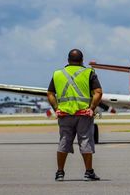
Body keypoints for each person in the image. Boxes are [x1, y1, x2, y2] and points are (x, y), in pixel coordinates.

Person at [47, 48, 103, 181]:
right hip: (83, 114)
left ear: (68, 60)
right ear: (82, 60)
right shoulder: (89, 72)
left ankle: (60, 172)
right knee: (85, 142)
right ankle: (89, 172)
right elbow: (98, 92)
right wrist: (92, 108)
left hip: (64, 115)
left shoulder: (57, 74)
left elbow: (50, 93)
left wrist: (56, 109)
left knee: (64, 141)